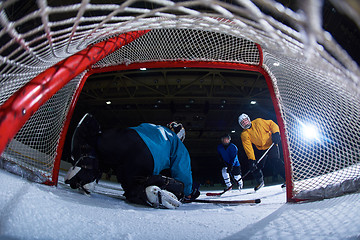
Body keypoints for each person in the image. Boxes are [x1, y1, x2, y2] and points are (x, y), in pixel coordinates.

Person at [64, 113, 200, 209]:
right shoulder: (178, 144)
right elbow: (182, 171)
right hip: (146, 158)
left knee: (95, 142)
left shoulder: (152, 126)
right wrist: (186, 192)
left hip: (125, 137)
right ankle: (146, 190)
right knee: (134, 188)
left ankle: (87, 168)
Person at [238, 113, 285, 191]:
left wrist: (276, 133)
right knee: (254, 166)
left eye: (245, 120)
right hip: (260, 149)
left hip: (271, 144)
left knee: (276, 161)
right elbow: (248, 148)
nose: (245, 123)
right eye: (242, 122)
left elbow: (271, 124)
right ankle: (260, 182)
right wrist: (251, 159)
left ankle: (287, 178)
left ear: (248, 119)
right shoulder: (244, 134)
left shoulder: (258, 122)